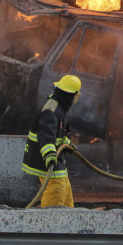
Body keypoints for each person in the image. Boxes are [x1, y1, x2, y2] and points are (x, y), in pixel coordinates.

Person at [22, 74, 82, 208]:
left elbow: (56, 134)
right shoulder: (51, 111)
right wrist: (49, 154)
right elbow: (46, 136)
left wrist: (67, 144)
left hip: (54, 158)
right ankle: (50, 222)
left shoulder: (58, 108)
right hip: (45, 160)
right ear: (71, 96)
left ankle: (68, 220)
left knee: (64, 187)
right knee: (56, 188)